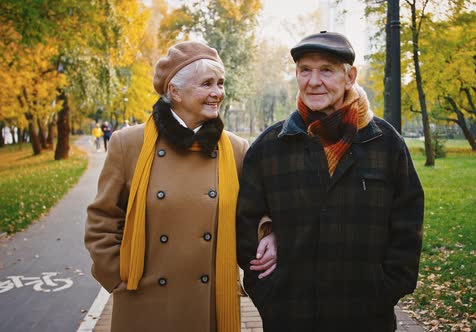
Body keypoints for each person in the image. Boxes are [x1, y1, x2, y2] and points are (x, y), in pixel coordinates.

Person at [236, 31, 424, 331]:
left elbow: (408, 222)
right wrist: (269, 292)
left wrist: (387, 289)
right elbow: (246, 223)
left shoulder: (385, 143)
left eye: (326, 70)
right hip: (290, 316)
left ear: (350, 76)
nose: (313, 81)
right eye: (305, 70)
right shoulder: (270, 147)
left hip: (366, 317)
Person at [85, 41, 276, 332]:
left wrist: (268, 232)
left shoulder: (236, 149)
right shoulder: (129, 144)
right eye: (207, 84)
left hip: (210, 303)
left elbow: (252, 212)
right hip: (143, 301)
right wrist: (117, 278)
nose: (218, 93)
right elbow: (103, 219)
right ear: (175, 91)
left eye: (221, 83)